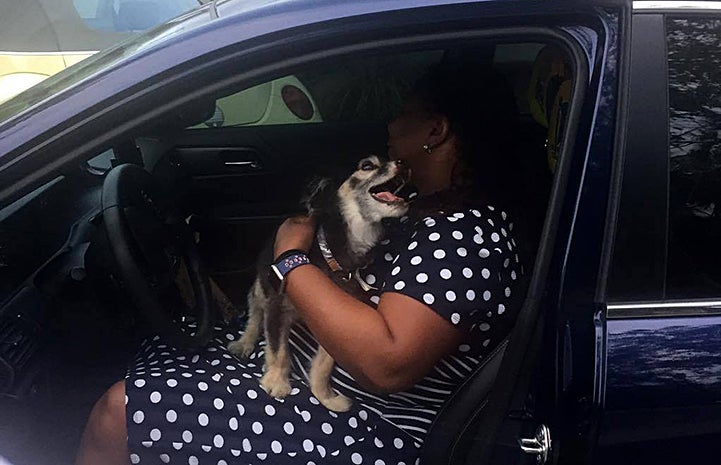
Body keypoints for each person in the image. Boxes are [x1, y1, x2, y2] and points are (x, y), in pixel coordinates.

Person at [75, 61, 526, 465]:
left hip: (370, 423)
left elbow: (387, 362)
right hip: (322, 368)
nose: (390, 126)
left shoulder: (465, 239)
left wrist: (290, 259)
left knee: (117, 413)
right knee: (161, 352)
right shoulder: (428, 209)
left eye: (402, 114)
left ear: (435, 131)